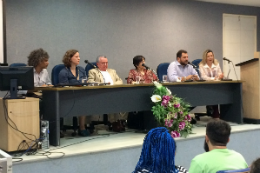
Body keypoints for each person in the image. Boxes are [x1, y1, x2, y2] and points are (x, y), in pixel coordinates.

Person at [59, 49, 88, 136]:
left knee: (84, 102)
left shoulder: (82, 69)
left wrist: (77, 83)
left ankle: (82, 128)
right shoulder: (63, 72)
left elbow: (85, 82)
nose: (79, 58)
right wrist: (79, 83)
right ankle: (59, 129)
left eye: (79, 56)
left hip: (80, 94)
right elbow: (64, 86)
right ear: (70, 58)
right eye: (76, 57)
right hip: (68, 96)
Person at [199, 49, 223, 119]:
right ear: (205, 58)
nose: (210, 58)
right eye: (208, 56)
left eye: (211, 56)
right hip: (206, 86)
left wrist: (220, 76)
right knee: (213, 93)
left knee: (218, 92)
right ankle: (214, 111)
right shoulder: (201, 65)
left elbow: (219, 74)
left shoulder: (216, 64)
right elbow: (203, 77)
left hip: (216, 85)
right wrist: (213, 79)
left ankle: (215, 111)